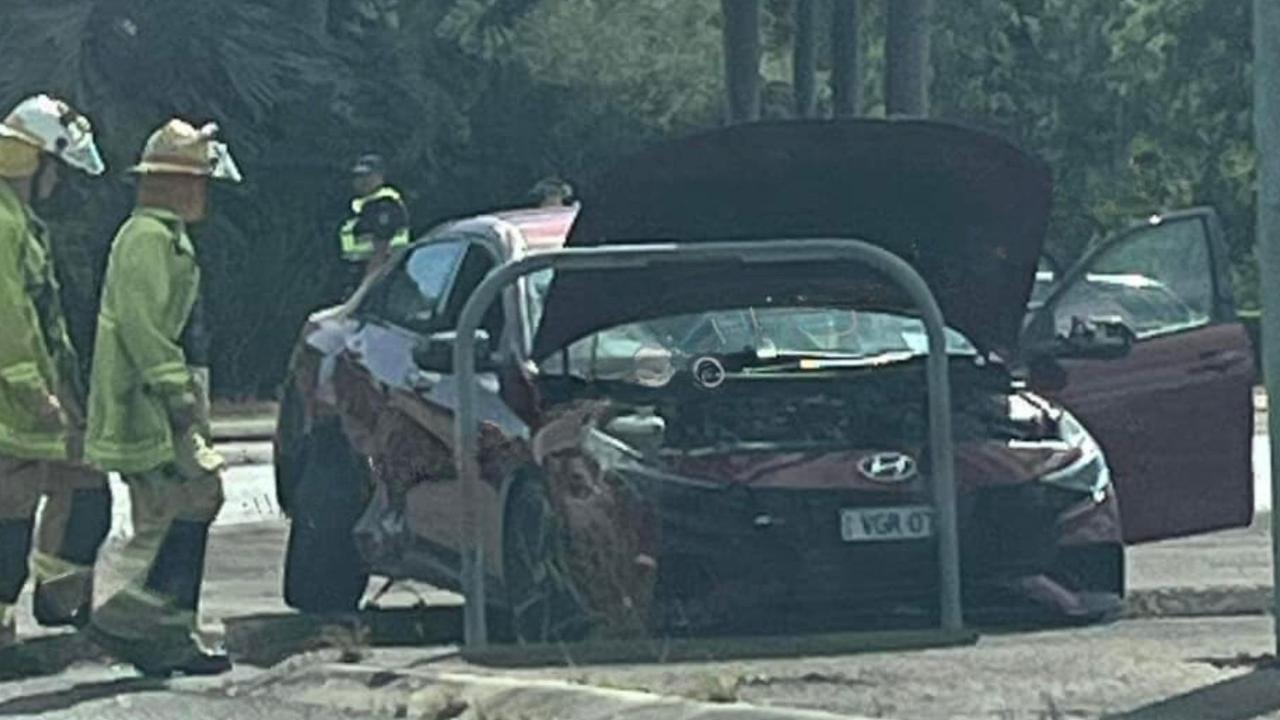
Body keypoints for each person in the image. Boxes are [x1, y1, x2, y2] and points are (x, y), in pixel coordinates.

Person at [82, 118, 242, 677]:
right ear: (172, 183)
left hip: (158, 401)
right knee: (182, 501)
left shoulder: (165, 239)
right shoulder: (148, 240)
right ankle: (127, 618)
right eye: (196, 180)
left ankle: (167, 630)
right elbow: (145, 329)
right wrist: (177, 398)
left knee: (193, 500)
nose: (203, 192)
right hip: (146, 406)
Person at [0, 95, 110, 650]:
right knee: (9, 512)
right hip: (14, 402)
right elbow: (8, 314)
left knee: (84, 486)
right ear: (35, 162)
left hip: (35, 397)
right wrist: (31, 388)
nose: (61, 183)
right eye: (58, 170)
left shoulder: (19, 220)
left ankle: (59, 600)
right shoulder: (3, 221)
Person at [338, 153, 409, 291]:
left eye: (368, 176)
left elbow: (381, 249)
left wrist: (367, 287)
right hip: (363, 275)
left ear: (380, 176)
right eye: (358, 176)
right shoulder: (364, 206)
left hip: (382, 278)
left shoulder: (383, 205)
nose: (362, 181)